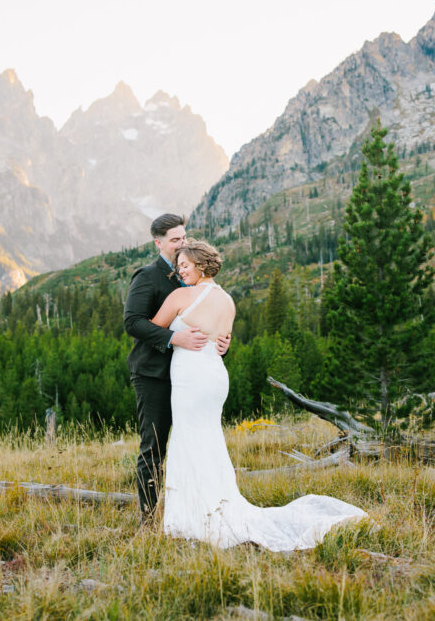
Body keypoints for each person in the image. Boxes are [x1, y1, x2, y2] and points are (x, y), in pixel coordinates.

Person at [151, 240, 366, 551]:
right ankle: (212, 505)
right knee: (208, 437)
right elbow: (222, 341)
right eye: (178, 266)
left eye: (184, 265)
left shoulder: (183, 295)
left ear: (200, 265)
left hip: (191, 377)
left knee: (188, 437)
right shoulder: (227, 300)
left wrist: (176, 337)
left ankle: (192, 516)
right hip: (214, 375)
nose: (179, 271)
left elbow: (153, 327)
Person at [123, 214, 230, 521]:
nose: (182, 244)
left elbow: (213, 323)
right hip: (153, 374)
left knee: (191, 443)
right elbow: (133, 322)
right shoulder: (146, 276)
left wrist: (223, 345)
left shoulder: (196, 278)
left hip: (190, 378)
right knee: (154, 445)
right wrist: (174, 337)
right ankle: (148, 518)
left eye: (184, 237)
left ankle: (195, 512)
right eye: (175, 240)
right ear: (158, 243)